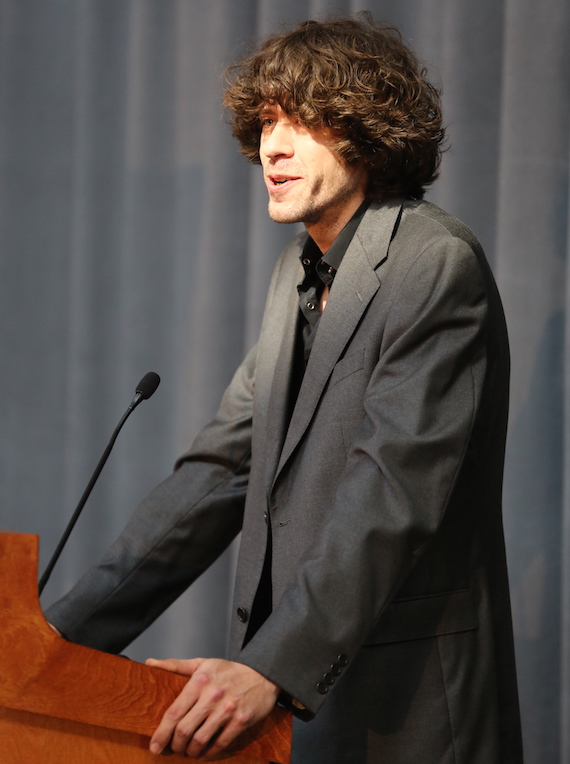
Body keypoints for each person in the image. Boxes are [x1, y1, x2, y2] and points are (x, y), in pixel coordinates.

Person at [45, 15, 524, 764]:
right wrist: (47, 646)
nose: (271, 145)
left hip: (412, 714)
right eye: (266, 121)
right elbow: (216, 478)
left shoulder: (434, 264)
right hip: (302, 715)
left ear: (368, 130)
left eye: (302, 121)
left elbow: (391, 494)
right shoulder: (296, 273)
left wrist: (270, 664)